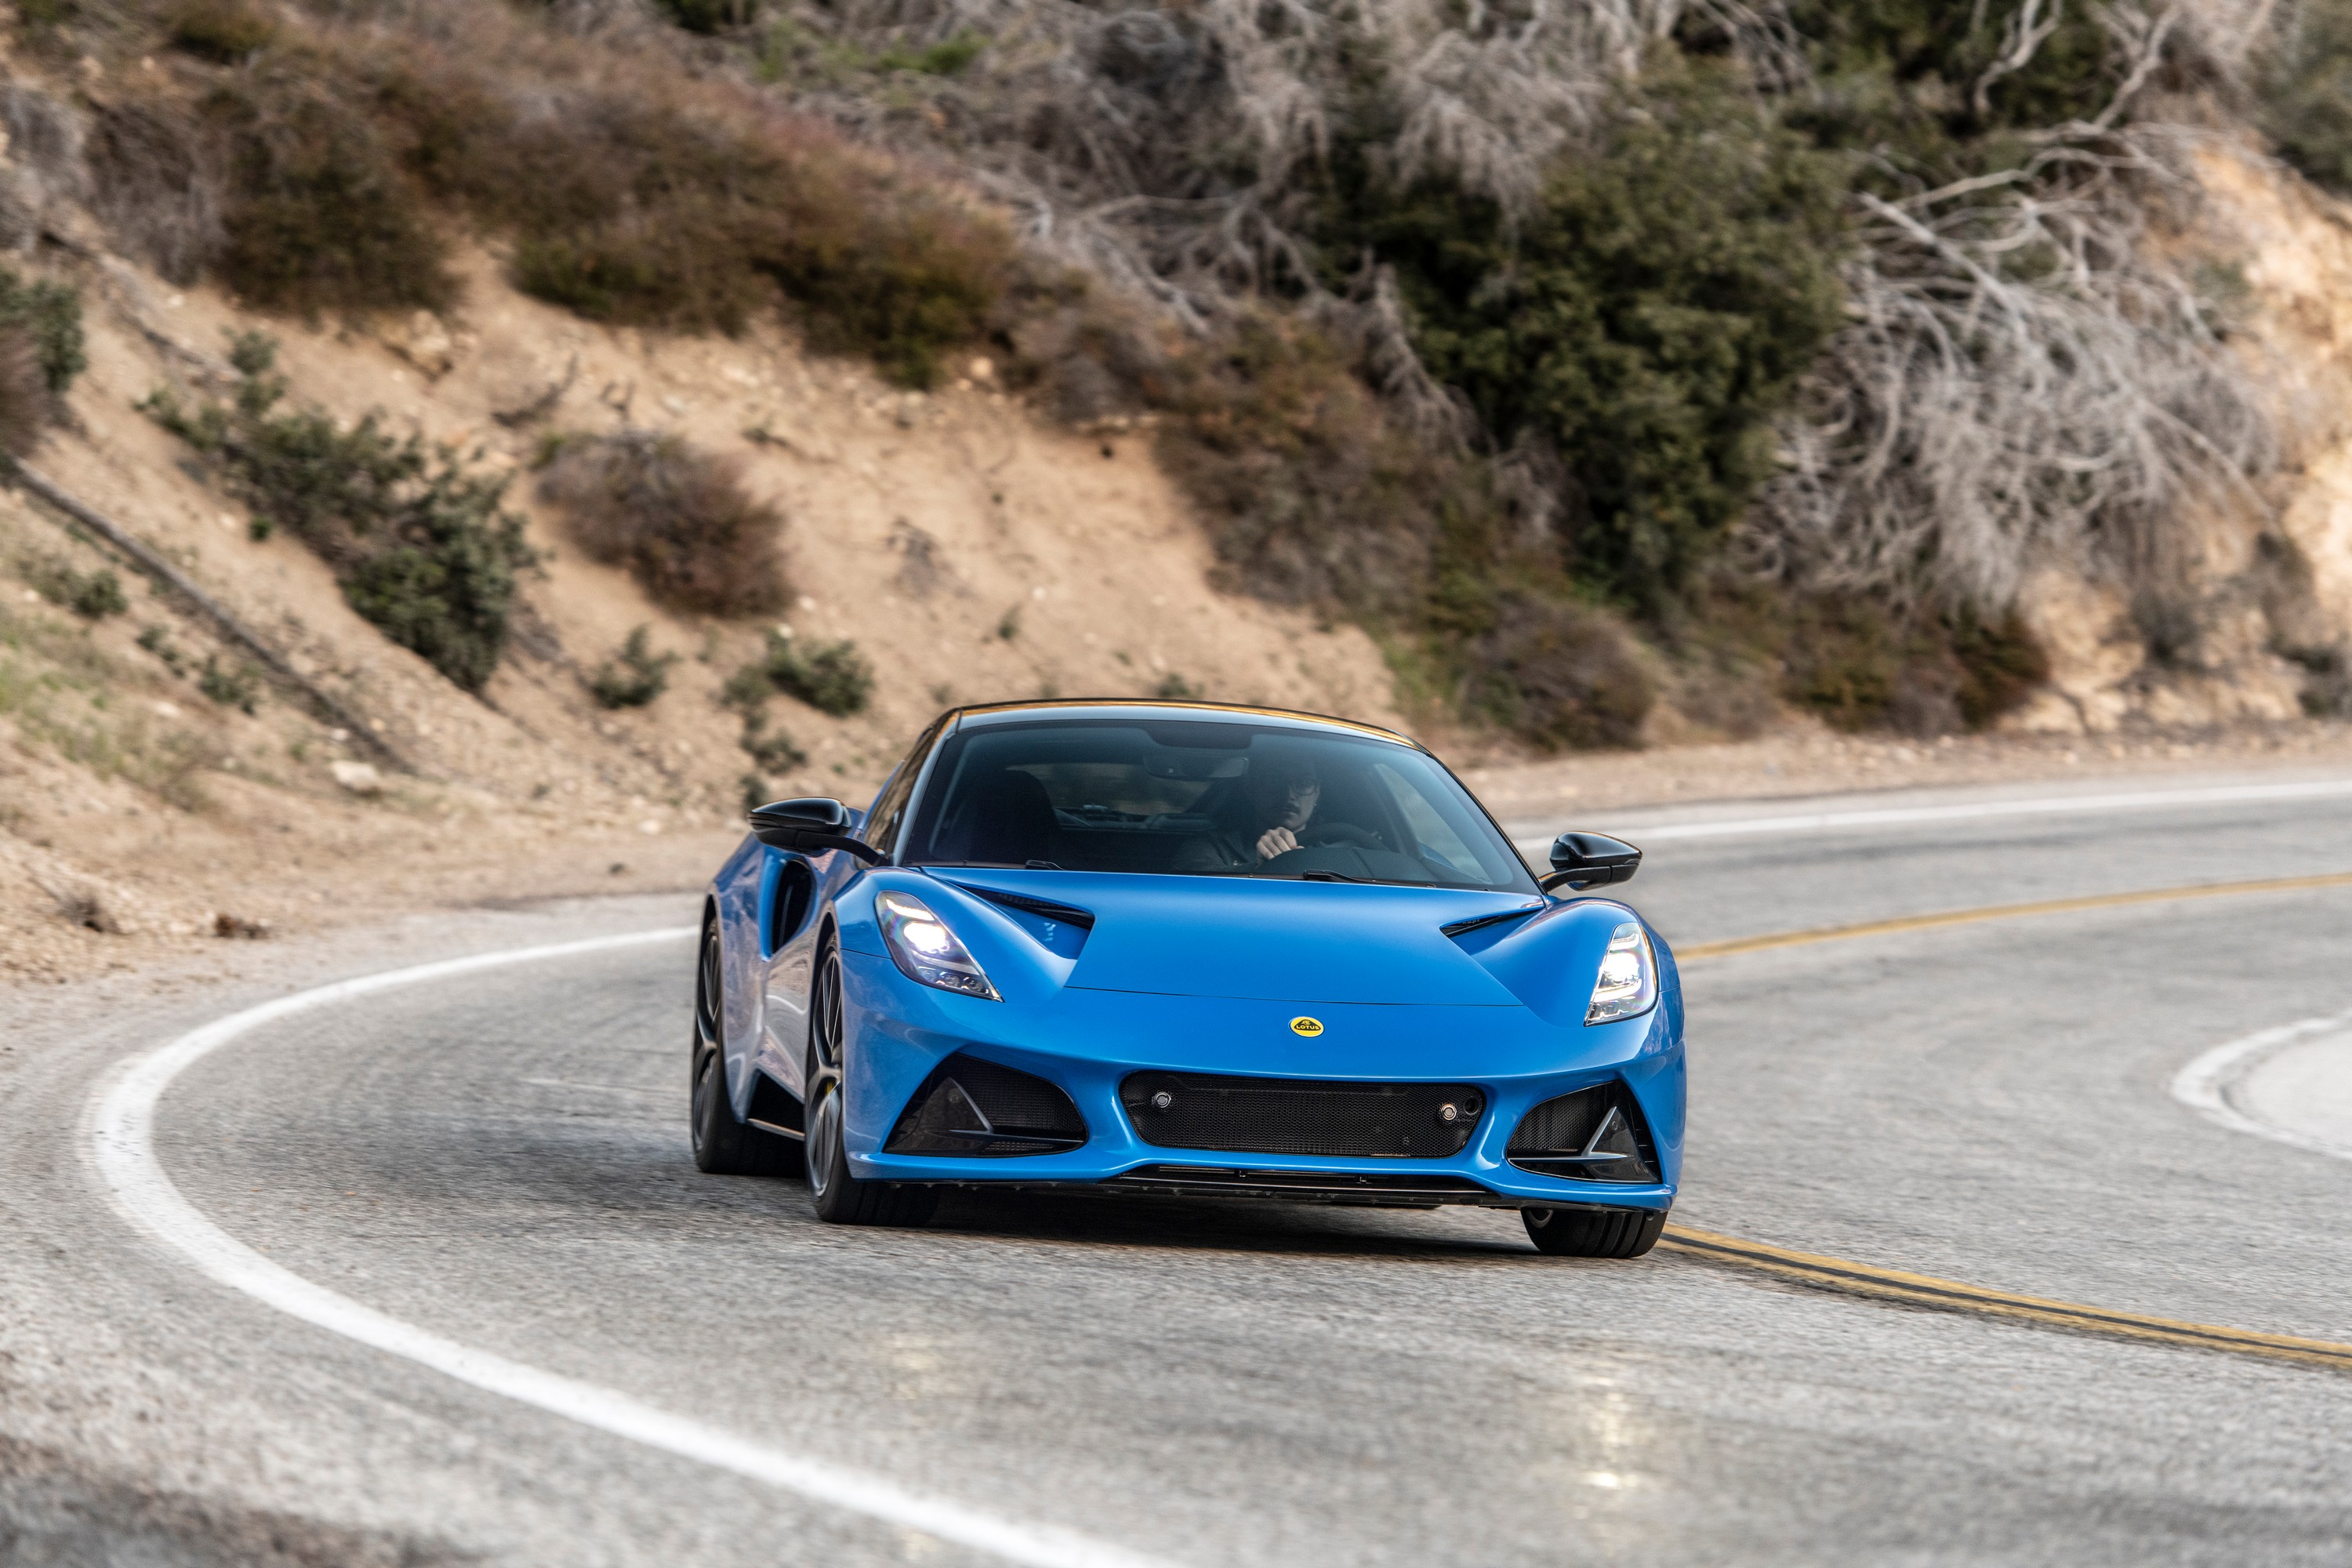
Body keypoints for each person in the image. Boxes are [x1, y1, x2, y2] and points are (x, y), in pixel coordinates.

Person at [1173, 753, 1323, 871]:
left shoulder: (1338, 850)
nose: (1289, 795)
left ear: (1316, 792)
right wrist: (1261, 868)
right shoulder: (1212, 846)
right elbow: (1198, 889)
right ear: (1250, 787)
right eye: (1274, 780)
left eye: (1304, 783)